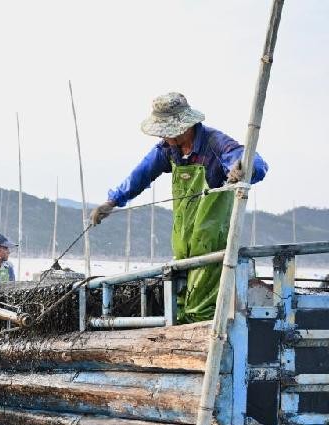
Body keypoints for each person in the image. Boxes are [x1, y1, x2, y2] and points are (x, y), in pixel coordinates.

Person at [89, 92, 268, 323]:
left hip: (212, 240)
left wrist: (240, 168)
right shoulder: (168, 149)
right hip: (183, 240)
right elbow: (141, 174)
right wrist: (112, 202)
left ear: (185, 125)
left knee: (203, 304)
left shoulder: (215, 143)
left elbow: (255, 163)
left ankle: (209, 336)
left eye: (168, 131)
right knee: (180, 300)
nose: (164, 136)